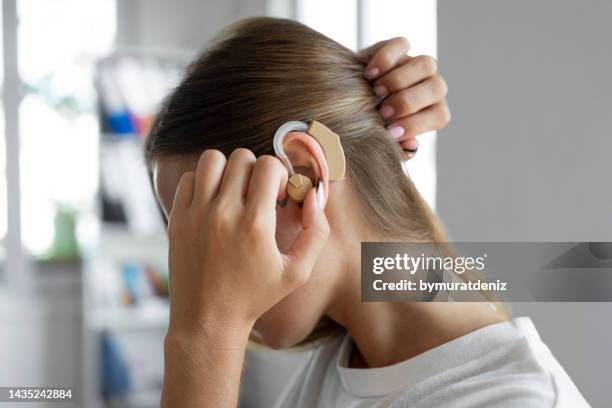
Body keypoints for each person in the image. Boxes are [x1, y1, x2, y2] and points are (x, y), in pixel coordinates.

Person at [145, 17, 588, 408]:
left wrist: (206, 333)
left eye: (209, 225)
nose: (193, 265)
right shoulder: (346, 367)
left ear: (304, 181)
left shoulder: (513, 402)